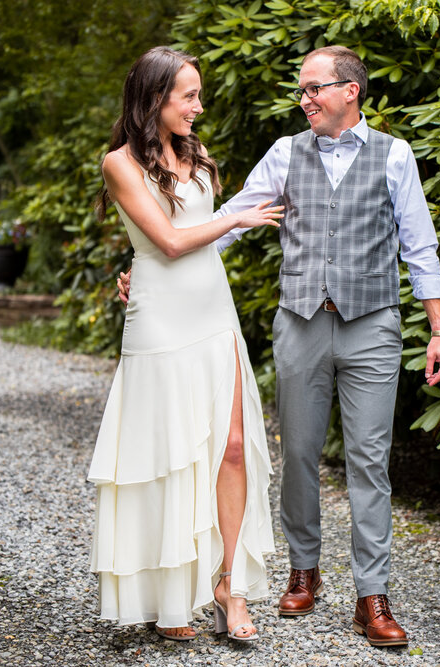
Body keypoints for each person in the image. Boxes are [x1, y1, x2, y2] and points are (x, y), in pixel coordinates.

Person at [120, 45, 440, 647]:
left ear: (350, 91)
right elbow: (232, 219)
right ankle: (305, 570)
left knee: (369, 462)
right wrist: (150, 268)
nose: (305, 99)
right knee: (298, 453)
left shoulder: (394, 155)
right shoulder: (284, 153)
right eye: (302, 90)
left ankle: (372, 597)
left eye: (314, 88)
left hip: (373, 325)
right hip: (300, 324)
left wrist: (438, 330)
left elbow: (420, 246)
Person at [88, 46, 283, 643]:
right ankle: (169, 595)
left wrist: (219, 222)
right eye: (188, 96)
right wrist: (236, 220)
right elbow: (170, 242)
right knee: (168, 453)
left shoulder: (196, 155)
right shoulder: (119, 163)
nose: (199, 107)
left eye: (198, 95)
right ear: (154, 100)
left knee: (229, 446)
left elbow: (192, 237)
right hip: (161, 320)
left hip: (212, 309)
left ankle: (230, 585)